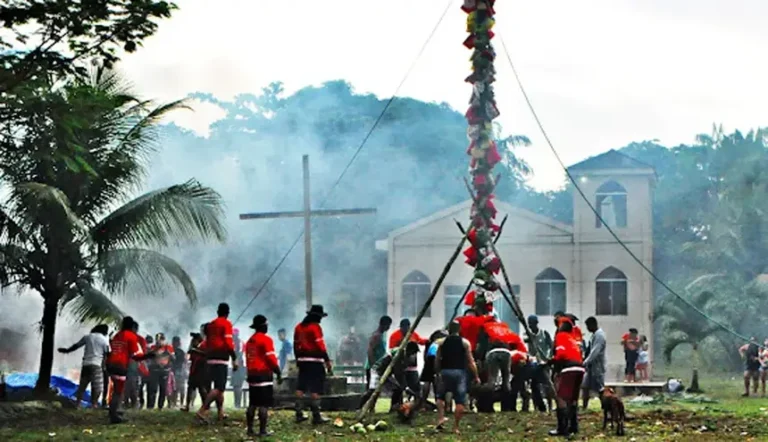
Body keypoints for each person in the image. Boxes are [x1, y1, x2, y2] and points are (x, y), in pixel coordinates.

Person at [435, 321, 480, 436]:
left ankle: (440, 418)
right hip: (460, 373)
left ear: (449, 329)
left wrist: (437, 372)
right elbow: (471, 361)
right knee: (459, 400)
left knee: (440, 396)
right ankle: (455, 427)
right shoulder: (464, 343)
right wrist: (476, 376)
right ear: (459, 329)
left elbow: (437, 359)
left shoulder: (441, 342)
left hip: (445, 371)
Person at [197, 303, 238, 422]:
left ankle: (220, 413)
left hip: (210, 358)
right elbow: (229, 344)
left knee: (218, 387)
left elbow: (208, 340)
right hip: (221, 358)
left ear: (217, 312)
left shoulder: (210, 325)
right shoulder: (226, 324)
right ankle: (203, 410)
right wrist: (234, 358)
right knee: (220, 387)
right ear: (228, 313)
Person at [106, 316, 151, 424]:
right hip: (120, 365)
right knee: (118, 391)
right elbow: (135, 356)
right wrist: (148, 356)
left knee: (116, 389)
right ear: (132, 326)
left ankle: (114, 411)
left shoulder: (118, 335)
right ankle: (114, 415)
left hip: (111, 364)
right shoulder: (131, 336)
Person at [244, 315, 282, 437]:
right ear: (262, 326)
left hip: (252, 374)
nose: (267, 326)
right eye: (266, 324)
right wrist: (278, 372)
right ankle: (262, 431)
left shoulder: (250, 341)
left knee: (252, 403)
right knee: (263, 404)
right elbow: (271, 359)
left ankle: (249, 429)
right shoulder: (266, 340)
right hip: (264, 375)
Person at [294, 304, 332, 424]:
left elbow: (295, 345)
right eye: (320, 316)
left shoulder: (298, 327)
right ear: (316, 317)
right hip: (315, 362)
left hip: (302, 361)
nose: (321, 319)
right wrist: (327, 361)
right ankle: (316, 415)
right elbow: (321, 346)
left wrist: (298, 359)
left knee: (301, 387)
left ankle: (298, 413)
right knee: (316, 388)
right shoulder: (315, 327)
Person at [58, 324, 110, 408]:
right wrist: (105, 366)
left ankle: (77, 403)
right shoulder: (104, 340)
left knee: (82, 385)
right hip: (97, 365)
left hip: (86, 364)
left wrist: (66, 350)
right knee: (97, 386)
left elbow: (76, 345)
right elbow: (107, 353)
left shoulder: (88, 337)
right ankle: (94, 404)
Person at [548, 320, 585, 437]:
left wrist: (552, 361)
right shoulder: (572, 338)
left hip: (569, 368)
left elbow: (561, 354)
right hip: (580, 368)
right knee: (573, 398)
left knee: (561, 397)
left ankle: (562, 428)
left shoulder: (561, 336)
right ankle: (573, 426)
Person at [359, 342, 420, 412]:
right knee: (372, 391)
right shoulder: (399, 353)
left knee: (397, 388)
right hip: (378, 371)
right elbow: (398, 373)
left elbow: (401, 373)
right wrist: (405, 387)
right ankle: (359, 407)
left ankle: (393, 409)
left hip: (388, 374)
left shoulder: (405, 357)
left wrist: (405, 387)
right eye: (413, 353)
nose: (414, 355)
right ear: (410, 350)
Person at [525, 314, 554, 412]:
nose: (530, 326)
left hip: (545, 363)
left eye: (532, 324)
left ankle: (550, 406)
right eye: (529, 324)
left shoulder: (544, 333)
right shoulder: (528, 335)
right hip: (535, 363)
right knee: (534, 385)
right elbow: (529, 350)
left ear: (536, 323)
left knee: (547, 384)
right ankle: (537, 407)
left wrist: (549, 358)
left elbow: (551, 346)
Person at [581, 317, 606, 410]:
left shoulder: (600, 335)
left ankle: (605, 406)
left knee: (600, 388)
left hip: (597, 366)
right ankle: (584, 406)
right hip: (591, 367)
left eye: (588, 326)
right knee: (585, 386)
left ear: (592, 324)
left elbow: (595, 351)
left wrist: (586, 361)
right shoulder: (594, 335)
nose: (587, 328)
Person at [182, 326, 209, 412]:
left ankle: (205, 406)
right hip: (194, 369)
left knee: (201, 388)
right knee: (190, 388)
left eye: (195, 340)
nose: (193, 342)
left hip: (202, 369)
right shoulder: (194, 348)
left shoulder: (204, 345)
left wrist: (195, 351)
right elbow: (190, 356)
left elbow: (207, 355)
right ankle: (187, 405)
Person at [146, 333, 174, 409]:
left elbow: (173, 358)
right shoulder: (152, 347)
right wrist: (155, 350)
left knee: (163, 389)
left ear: (164, 340)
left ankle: (160, 406)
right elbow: (148, 356)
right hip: (154, 370)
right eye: (157, 339)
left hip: (165, 371)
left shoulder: (168, 347)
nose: (159, 341)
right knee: (153, 389)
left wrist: (168, 353)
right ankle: (150, 406)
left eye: (161, 339)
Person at [365, 316, 392, 389]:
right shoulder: (377, 335)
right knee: (371, 389)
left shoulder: (381, 335)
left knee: (375, 388)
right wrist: (373, 366)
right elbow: (370, 350)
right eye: (388, 325)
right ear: (384, 324)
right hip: (373, 366)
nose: (389, 327)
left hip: (377, 366)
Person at [169, 336, 187, 408]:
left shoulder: (180, 352)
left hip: (178, 371)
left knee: (178, 388)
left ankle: (178, 403)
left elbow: (184, 362)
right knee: (174, 388)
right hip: (174, 371)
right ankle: (173, 403)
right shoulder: (172, 351)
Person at [232, 328, 246, 409]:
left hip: (239, 367)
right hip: (236, 367)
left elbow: (239, 355)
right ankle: (236, 404)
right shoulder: (233, 342)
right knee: (235, 386)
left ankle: (238, 404)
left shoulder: (239, 343)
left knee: (238, 386)